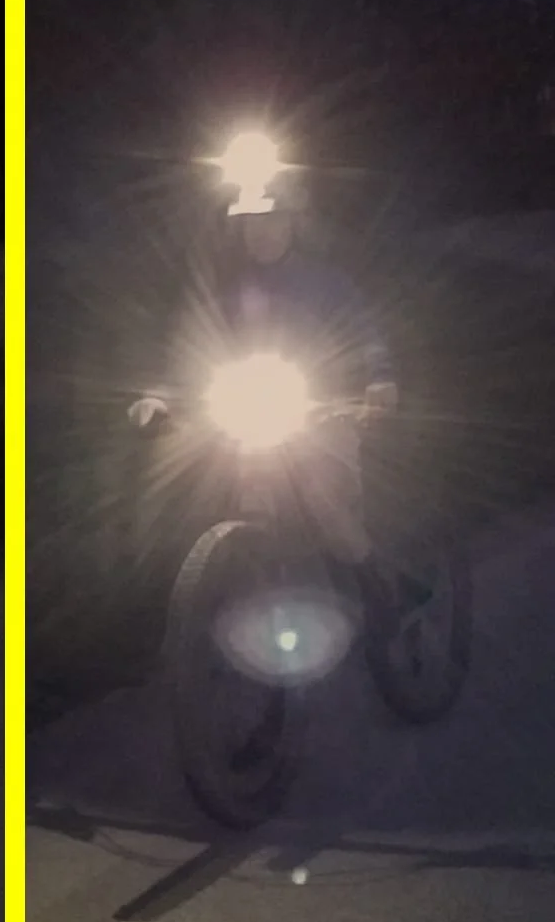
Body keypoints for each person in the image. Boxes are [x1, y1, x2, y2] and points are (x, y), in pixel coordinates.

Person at [127, 170, 400, 600]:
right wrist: (160, 397)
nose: (263, 232)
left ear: (292, 224)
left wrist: (379, 380)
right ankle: (238, 604)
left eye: (273, 221)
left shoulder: (326, 283)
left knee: (327, 505)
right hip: (256, 418)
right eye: (253, 223)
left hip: (323, 414)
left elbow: (364, 335)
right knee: (214, 491)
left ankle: (384, 593)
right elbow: (194, 354)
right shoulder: (231, 293)